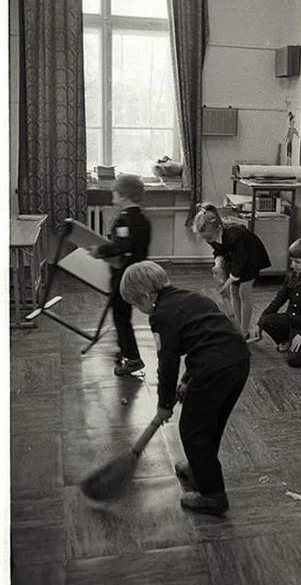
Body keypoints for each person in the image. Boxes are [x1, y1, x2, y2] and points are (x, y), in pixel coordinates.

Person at [119, 260, 250, 516]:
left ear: (146, 296)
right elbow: (205, 339)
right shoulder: (191, 297)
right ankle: (199, 468)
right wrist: (188, 379)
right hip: (238, 360)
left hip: (214, 369)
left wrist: (163, 404)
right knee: (211, 423)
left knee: (192, 430)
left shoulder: (161, 316)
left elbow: (167, 363)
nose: (138, 310)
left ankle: (212, 495)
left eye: (136, 304)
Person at [90, 174, 151, 375]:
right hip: (138, 272)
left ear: (124, 196)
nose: (112, 196)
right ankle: (125, 349)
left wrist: (99, 251)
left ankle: (132, 358)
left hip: (123, 275)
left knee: (121, 316)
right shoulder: (143, 218)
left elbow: (121, 246)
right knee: (123, 314)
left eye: (115, 193)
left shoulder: (124, 219)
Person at [193, 203, 271, 341]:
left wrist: (227, 283)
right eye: (205, 239)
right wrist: (217, 263)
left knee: (244, 293)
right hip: (234, 259)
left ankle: (245, 331)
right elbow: (218, 251)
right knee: (234, 292)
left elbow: (240, 261)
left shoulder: (234, 236)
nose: (207, 241)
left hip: (250, 260)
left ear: (218, 229)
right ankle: (238, 328)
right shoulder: (211, 237)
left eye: (209, 238)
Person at [256, 237, 301, 367]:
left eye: (298, 262)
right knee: (265, 320)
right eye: (292, 261)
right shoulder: (293, 276)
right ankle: (286, 340)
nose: (293, 265)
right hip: (291, 319)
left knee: (295, 361)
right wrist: (260, 322)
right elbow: (279, 299)